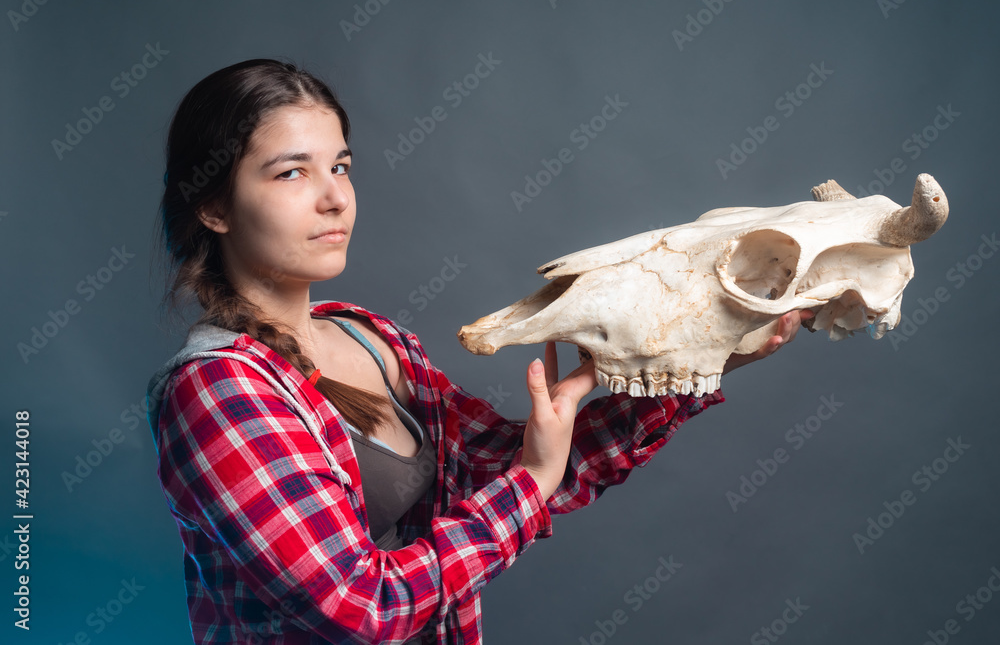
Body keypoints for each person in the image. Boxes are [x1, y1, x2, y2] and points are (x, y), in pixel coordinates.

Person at [145, 58, 811, 645]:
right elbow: (361, 604)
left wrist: (709, 357)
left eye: (341, 165)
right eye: (292, 172)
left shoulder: (369, 335)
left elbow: (507, 470)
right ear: (214, 207)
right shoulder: (213, 391)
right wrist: (531, 483)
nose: (335, 197)